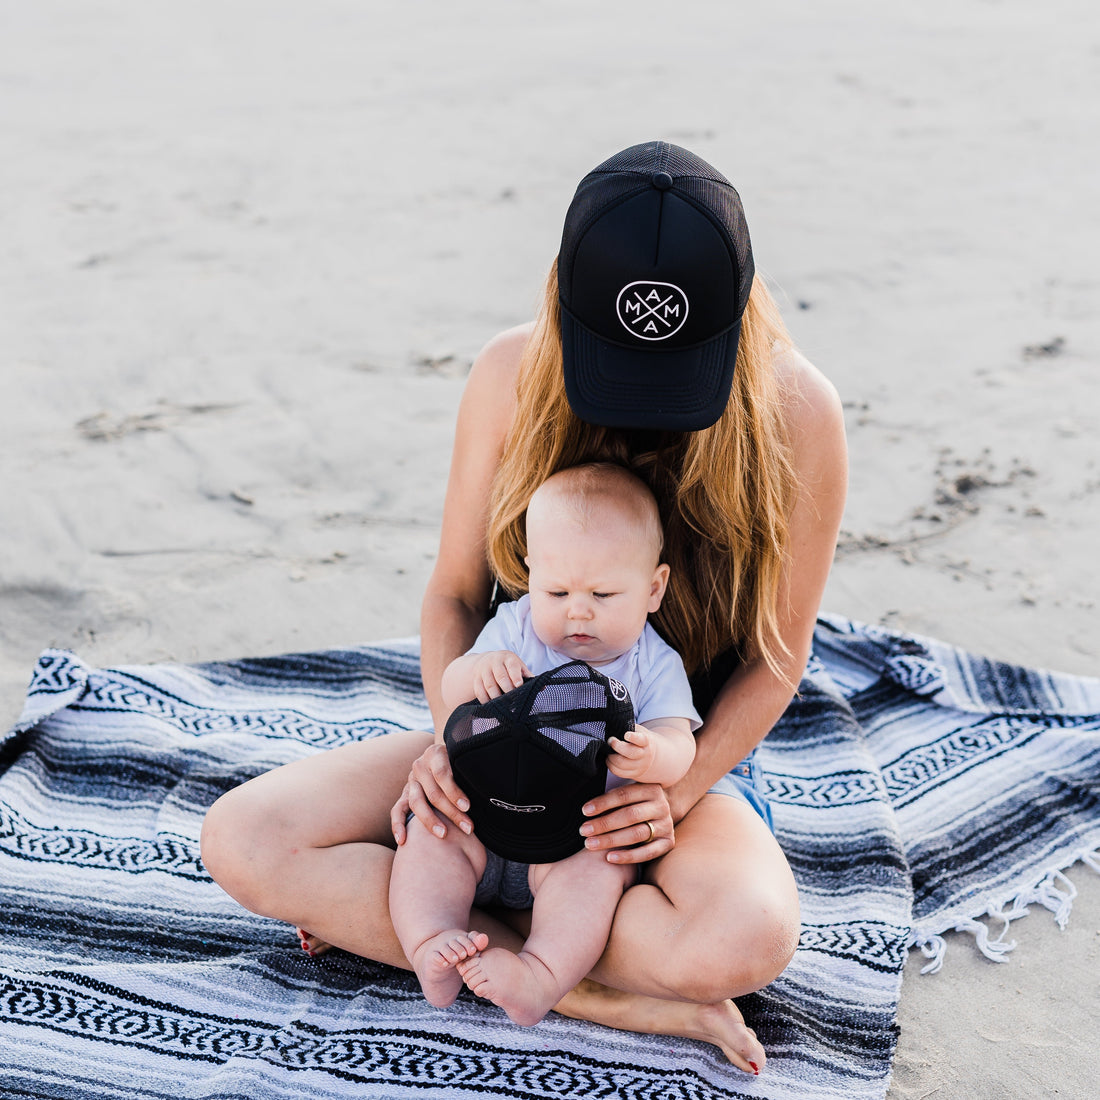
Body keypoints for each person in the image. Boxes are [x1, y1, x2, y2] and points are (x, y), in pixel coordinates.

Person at [200, 140, 847, 1078]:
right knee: (244, 840)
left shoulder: (798, 411)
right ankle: (595, 989)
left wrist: (677, 786)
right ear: (561, 296)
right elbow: (456, 595)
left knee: (747, 941)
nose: (646, 418)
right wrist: (449, 739)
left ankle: (459, 939)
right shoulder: (511, 373)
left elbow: (780, 656)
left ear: (739, 314)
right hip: (502, 734)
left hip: (664, 758)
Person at [389, 463, 700, 1026]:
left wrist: (655, 754)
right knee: (428, 836)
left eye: (603, 593)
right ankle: (430, 943)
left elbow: (682, 743)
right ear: (530, 576)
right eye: (556, 590)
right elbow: (453, 688)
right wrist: (479, 669)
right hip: (478, 817)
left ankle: (541, 975)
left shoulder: (654, 663)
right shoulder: (515, 627)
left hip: (572, 839)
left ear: (653, 589)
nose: (577, 610)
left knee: (598, 874)